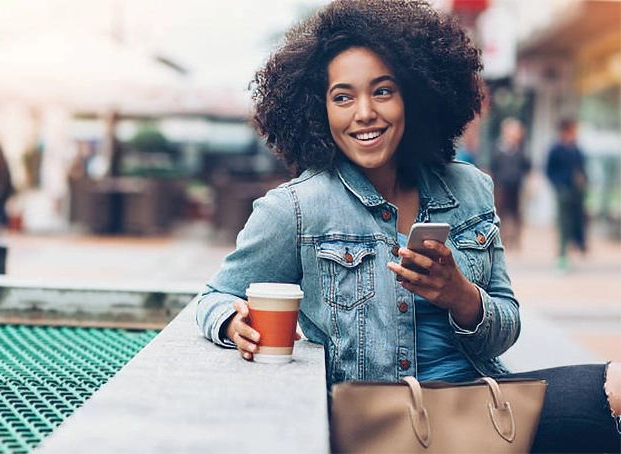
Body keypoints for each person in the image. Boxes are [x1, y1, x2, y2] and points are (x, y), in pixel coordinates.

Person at [196, 1, 621, 452]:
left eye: (382, 91)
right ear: (318, 110)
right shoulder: (296, 209)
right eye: (342, 97)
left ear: (414, 97)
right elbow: (215, 296)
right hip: (379, 424)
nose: (363, 113)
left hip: (484, 408)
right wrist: (230, 322)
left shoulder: (470, 188)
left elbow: (508, 325)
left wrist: (460, 295)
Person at [546, 118, 587, 272]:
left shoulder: (576, 149)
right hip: (562, 190)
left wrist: (583, 181)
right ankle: (562, 255)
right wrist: (558, 184)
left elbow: (582, 168)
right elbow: (549, 171)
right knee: (563, 223)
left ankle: (572, 249)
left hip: (576, 191)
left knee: (574, 223)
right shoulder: (556, 149)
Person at [489, 117, 531, 250]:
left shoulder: (520, 150)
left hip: (516, 185)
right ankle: (501, 239)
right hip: (501, 186)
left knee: (516, 213)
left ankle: (515, 240)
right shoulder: (498, 148)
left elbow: (527, 167)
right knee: (501, 213)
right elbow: (492, 167)